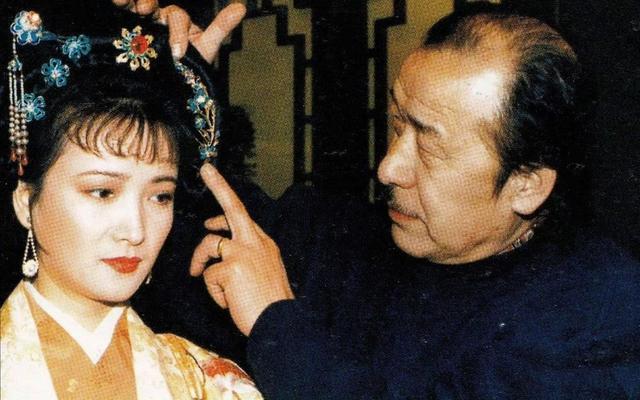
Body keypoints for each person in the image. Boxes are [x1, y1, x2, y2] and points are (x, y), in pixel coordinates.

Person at [126, 1, 640, 398]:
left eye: (430, 144)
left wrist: (274, 320)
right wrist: (163, 93)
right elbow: (172, 230)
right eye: (397, 125)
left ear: (527, 184)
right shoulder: (347, 234)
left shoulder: (600, 320)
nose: (389, 167)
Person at [0, 9, 263, 400]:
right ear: (26, 202)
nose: (136, 230)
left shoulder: (209, 383)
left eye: (160, 196)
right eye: (102, 192)